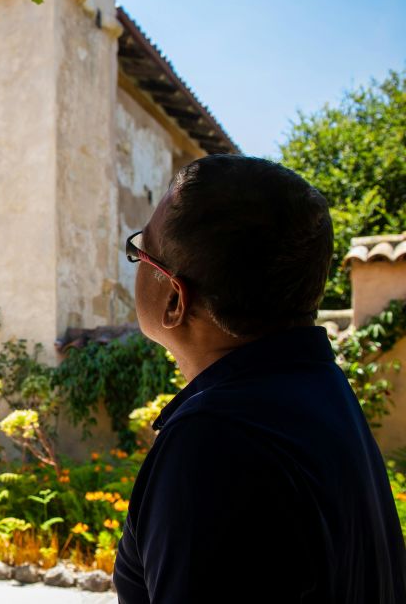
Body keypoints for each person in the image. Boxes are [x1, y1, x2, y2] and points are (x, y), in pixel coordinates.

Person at [113, 155, 406, 603]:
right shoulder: (322, 394)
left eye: (140, 253)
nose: (135, 265)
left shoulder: (214, 440)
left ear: (175, 298)